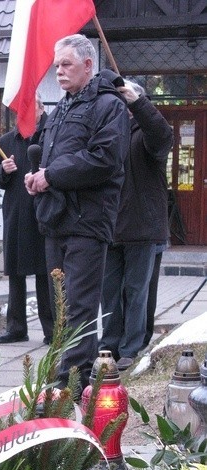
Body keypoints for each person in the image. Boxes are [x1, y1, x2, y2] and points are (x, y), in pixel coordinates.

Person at [25, 34, 130, 392]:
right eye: (56, 65)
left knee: (79, 309)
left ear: (88, 65)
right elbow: (53, 159)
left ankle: (72, 385)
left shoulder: (109, 106)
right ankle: (63, 378)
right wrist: (37, 176)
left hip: (88, 222)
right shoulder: (61, 108)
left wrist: (50, 175)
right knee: (60, 308)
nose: (59, 71)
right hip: (57, 219)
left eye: (66, 64)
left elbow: (104, 160)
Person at [99, 80, 173, 370]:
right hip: (111, 225)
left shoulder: (147, 133)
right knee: (109, 292)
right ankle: (109, 346)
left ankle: (131, 347)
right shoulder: (111, 131)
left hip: (142, 227)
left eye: (126, 99)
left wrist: (138, 103)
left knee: (136, 290)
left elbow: (162, 135)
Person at [0, 95, 54, 345]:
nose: (23, 115)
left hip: (45, 213)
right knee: (15, 273)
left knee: (45, 273)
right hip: (16, 214)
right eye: (19, 110)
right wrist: (2, 171)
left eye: (28, 108)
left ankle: (51, 329)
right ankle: (16, 327)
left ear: (41, 108)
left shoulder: (51, 137)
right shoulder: (6, 142)